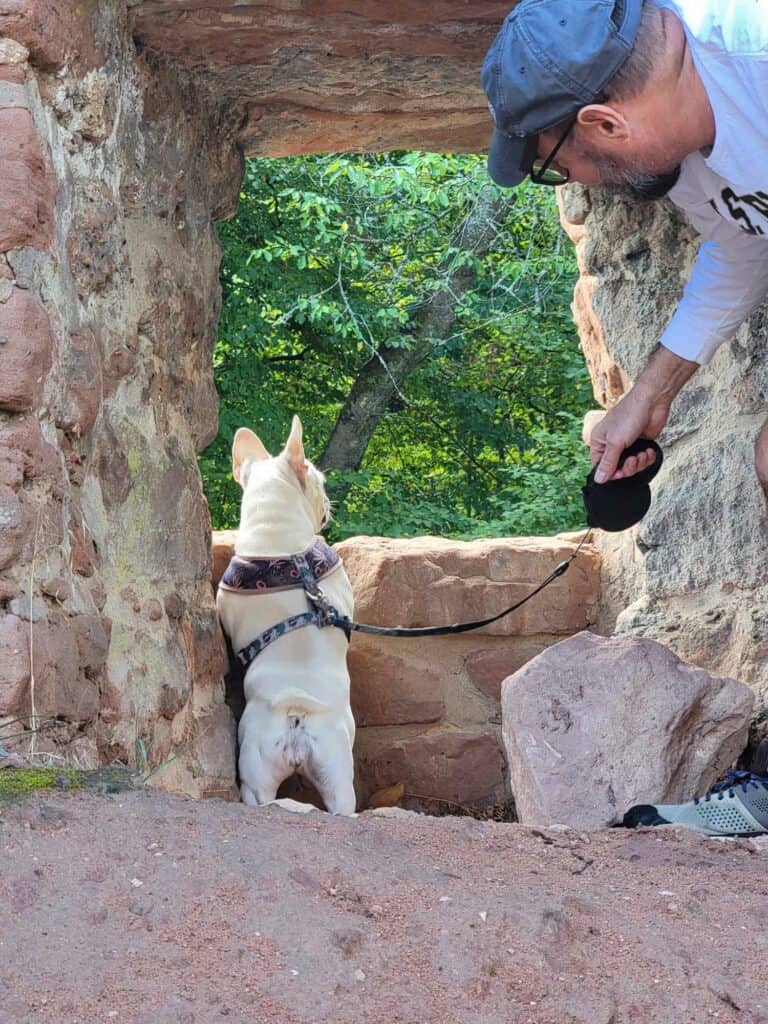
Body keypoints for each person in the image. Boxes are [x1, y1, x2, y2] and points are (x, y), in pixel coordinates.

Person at [481, 0, 768, 488]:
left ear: (606, 124)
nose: (577, 182)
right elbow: (743, 242)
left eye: (557, 167)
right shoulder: (679, 154)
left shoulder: (755, 59)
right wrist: (651, 395)